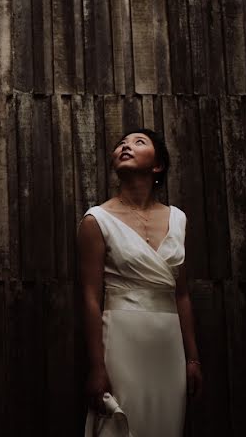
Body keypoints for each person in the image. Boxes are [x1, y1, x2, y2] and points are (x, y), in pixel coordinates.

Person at [79, 129, 203, 436]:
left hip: (168, 348)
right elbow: (91, 297)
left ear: (158, 165)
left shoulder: (178, 219)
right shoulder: (96, 220)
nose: (125, 146)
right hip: (121, 341)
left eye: (138, 142)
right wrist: (97, 367)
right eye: (121, 143)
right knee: (119, 425)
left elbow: (182, 294)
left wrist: (193, 359)